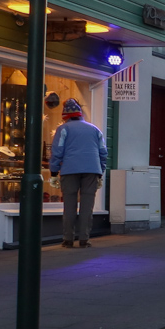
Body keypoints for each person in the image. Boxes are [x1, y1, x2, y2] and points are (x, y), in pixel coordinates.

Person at [49, 98, 107, 248]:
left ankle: (68, 239)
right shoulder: (95, 129)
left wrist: (54, 171)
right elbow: (103, 152)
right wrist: (101, 170)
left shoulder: (63, 129)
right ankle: (84, 239)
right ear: (80, 114)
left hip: (69, 170)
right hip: (92, 170)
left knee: (69, 204)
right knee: (87, 206)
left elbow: (57, 151)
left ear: (65, 116)